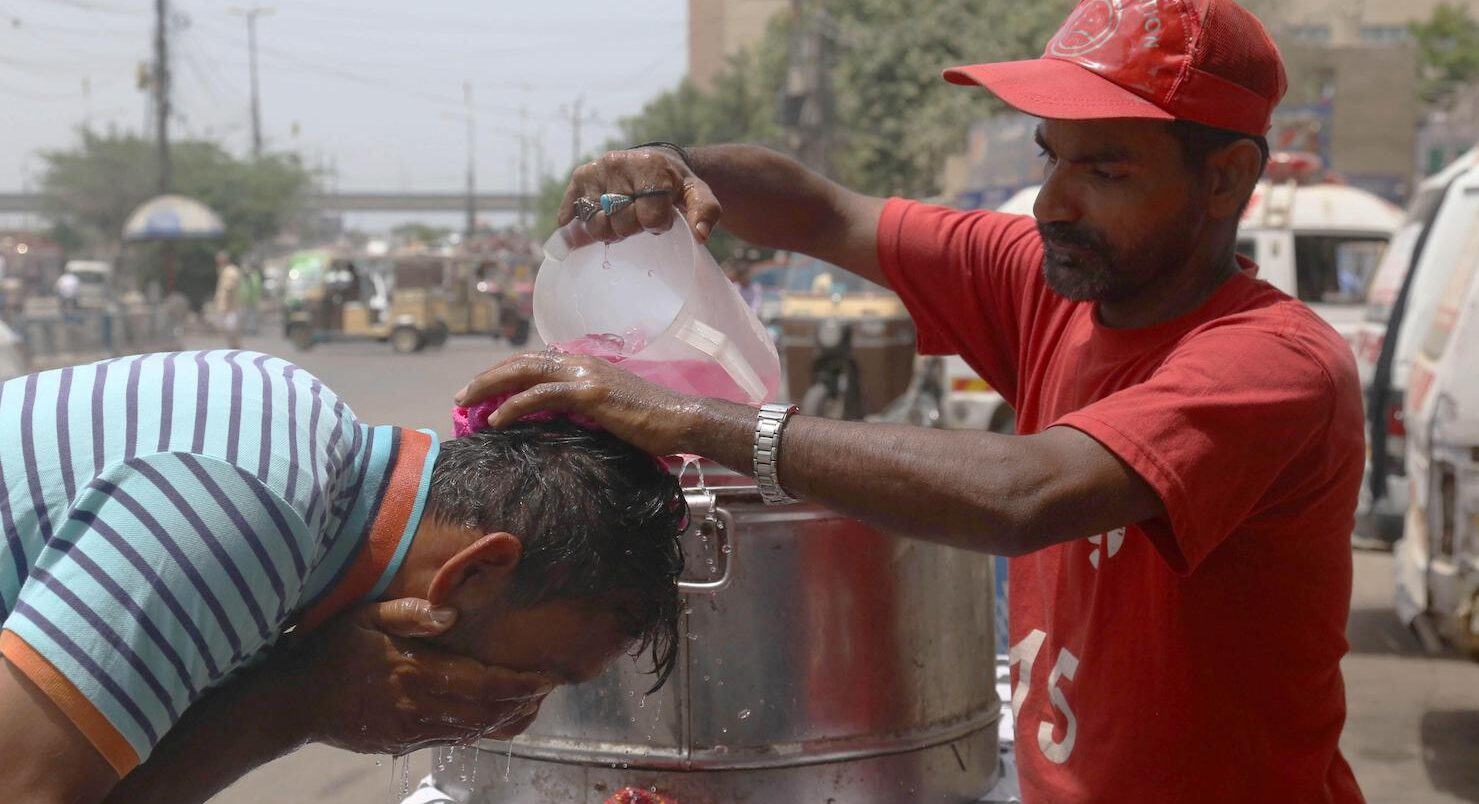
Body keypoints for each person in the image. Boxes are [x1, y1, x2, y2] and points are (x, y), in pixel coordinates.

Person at [458, 1, 1365, 800]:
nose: (1052, 200)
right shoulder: (1045, 285)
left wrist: (689, 419)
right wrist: (678, 168)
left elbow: (1026, 492)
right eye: (1053, 156)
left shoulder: (1272, 366)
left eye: (1108, 170)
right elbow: (823, 213)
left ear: (1225, 180)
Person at [0, 350, 685, 804]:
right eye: (536, 676)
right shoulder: (251, 504)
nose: (511, 725)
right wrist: (300, 704)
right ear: (475, 571)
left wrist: (297, 696)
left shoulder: (309, 449)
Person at [212, 251, 243, 349]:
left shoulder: (230, 271)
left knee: (231, 330)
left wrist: (226, 307)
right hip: (228, 307)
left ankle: (235, 349)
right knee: (228, 331)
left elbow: (229, 288)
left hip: (230, 308)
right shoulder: (226, 270)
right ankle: (233, 348)